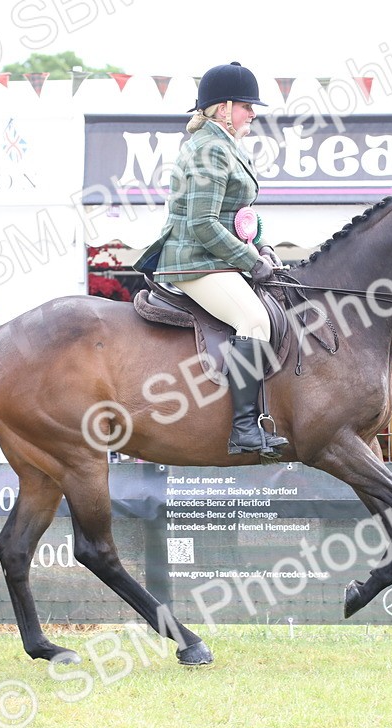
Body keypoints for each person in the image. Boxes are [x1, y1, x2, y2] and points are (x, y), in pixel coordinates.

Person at [148, 62, 289, 458]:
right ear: (225, 107)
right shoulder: (210, 148)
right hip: (194, 260)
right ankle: (243, 428)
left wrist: (262, 245)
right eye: (247, 106)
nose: (253, 114)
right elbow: (203, 223)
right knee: (254, 319)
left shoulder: (226, 144)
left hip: (216, 258)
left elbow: (238, 215)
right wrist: (249, 261)